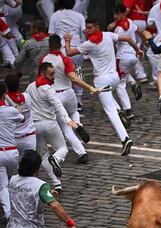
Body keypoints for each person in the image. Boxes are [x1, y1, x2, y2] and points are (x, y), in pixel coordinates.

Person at [65, 18, 141, 156]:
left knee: (109, 110)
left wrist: (67, 40)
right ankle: (119, 110)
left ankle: (125, 139)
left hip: (102, 80)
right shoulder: (108, 35)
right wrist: (138, 50)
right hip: (115, 77)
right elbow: (128, 38)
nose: (87, 30)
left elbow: (69, 53)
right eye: (86, 28)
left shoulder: (88, 44)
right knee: (110, 99)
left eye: (89, 28)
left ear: (96, 26)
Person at [5, 150, 78, 228]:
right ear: (36, 168)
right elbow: (55, 205)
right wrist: (70, 223)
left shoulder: (12, 180)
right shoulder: (41, 186)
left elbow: (25, 192)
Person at [40, 34, 99, 164]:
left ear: (49, 45)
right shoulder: (65, 59)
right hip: (68, 92)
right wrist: (90, 88)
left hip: (54, 95)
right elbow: (74, 78)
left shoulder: (43, 60)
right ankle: (78, 124)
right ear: (60, 45)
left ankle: (82, 153)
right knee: (74, 112)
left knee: (66, 128)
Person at [26, 62, 79, 194]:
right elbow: (58, 105)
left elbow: (23, 100)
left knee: (43, 155)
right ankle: (55, 159)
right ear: (43, 73)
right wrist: (68, 120)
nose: (54, 76)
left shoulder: (30, 86)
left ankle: (56, 182)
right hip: (50, 124)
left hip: (36, 125)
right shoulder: (48, 89)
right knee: (62, 149)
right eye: (51, 74)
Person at [48, 0, 86, 110]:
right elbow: (83, 32)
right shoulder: (79, 16)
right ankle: (78, 100)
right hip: (77, 49)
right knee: (78, 72)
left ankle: (63, 99)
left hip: (62, 51)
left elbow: (51, 34)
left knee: (62, 74)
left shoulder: (55, 16)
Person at [110, 3, 143, 119]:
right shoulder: (130, 21)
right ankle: (133, 83)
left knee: (120, 84)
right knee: (124, 72)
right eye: (114, 14)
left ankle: (128, 110)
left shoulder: (118, 28)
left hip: (122, 57)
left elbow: (113, 41)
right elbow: (139, 31)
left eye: (117, 14)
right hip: (133, 57)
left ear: (123, 13)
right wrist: (144, 43)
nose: (115, 16)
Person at [0, 83, 24, 219]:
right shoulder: (11, 111)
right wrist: (17, 108)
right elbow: (22, 118)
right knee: (7, 182)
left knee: (3, 185)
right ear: (4, 94)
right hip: (12, 153)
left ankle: (8, 213)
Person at [4, 74, 36, 160]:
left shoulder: (4, 103)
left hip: (13, 140)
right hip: (30, 137)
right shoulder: (27, 97)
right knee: (30, 166)